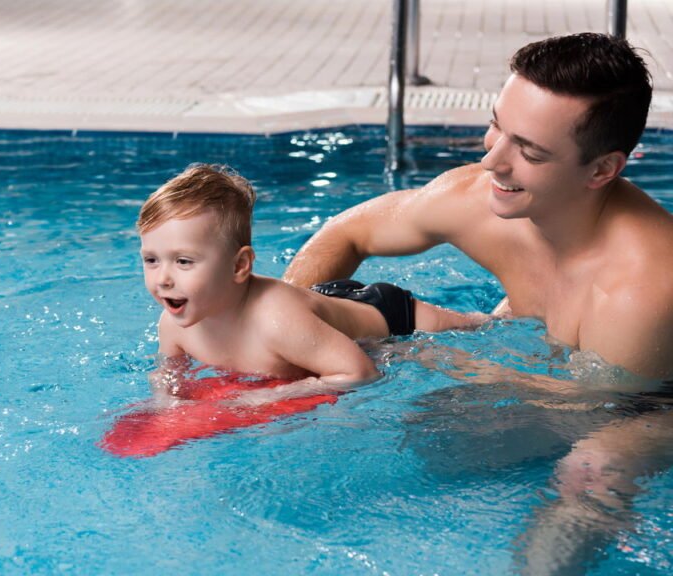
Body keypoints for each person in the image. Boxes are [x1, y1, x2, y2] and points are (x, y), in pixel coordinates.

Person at [282, 32, 673, 573]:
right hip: (557, 358)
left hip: (648, 406)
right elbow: (343, 235)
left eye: (529, 151)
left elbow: (590, 410)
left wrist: (423, 358)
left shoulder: (640, 291)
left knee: (593, 467)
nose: (492, 160)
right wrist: (283, 330)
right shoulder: (478, 198)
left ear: (602, 170)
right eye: (497, 126)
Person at [137, 163, 485, 403]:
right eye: (151, 260)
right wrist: (166, 404)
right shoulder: (173, 324)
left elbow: (360, 372)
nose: (163, 279)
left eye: (183, 262)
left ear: (240, 265)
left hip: (389, 317)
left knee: (484, 330)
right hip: (317, 316)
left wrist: (268, 396)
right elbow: (168, 375)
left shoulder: (276, 321)